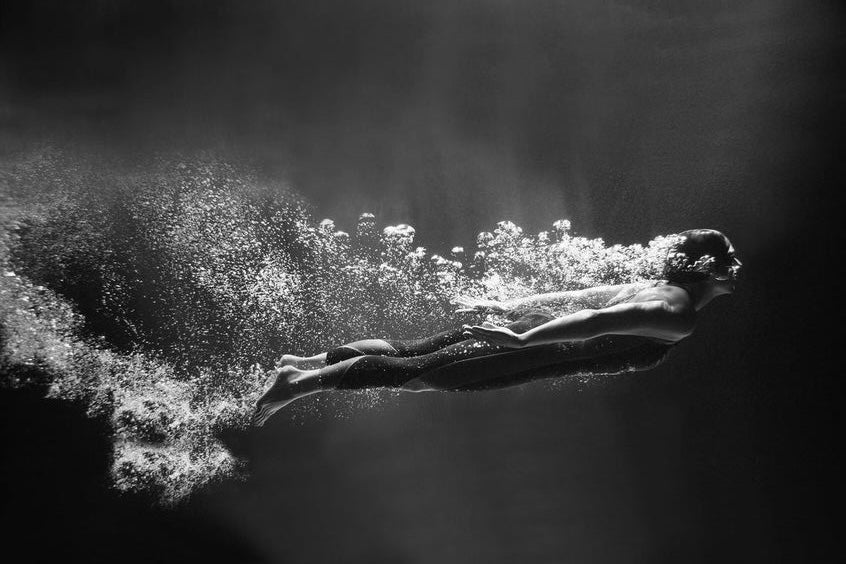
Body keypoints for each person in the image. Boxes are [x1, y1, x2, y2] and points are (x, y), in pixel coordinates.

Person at [253, 229, 742, 426]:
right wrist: (521, 337)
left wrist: (512, 306)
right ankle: (298, 384)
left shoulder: (656, 286)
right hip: (529, 347)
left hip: (526, 331)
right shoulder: (679, 315)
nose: (737, 265)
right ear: (709, 268)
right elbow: (593, 320)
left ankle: (309, 363)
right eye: (730, 259)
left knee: (410, 350)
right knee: (422, 374)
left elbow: (575, 298)